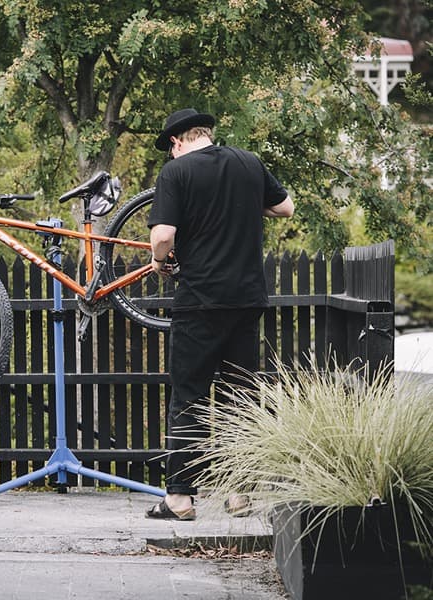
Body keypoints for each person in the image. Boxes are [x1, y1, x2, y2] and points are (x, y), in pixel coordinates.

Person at [144, 108, 294, 521]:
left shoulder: (175, 174)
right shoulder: (249, 163)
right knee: (240, 399)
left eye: (170, 148)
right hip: (247, 301)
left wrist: (160, 261)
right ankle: (240, 494)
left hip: (199, 302)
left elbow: (163, 236)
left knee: (189, 397)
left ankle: (180, 499)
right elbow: (285, 209)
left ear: (177, 141)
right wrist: (244, 206)